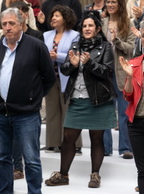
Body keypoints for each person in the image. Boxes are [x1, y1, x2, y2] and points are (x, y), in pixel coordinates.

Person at [45, 10, 117, 188]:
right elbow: (64, 70)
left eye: (90, 25)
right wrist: (73, 65)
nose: (86, 28)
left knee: (97, 138)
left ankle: (95, 175)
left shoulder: (105, 47)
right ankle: (63, 175)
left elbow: (107, 72)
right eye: (84, 26)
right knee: (68, 138)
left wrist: (89, 64)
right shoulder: (75, 45)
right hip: (77, 99)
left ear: (98, 28)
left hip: (98, 100)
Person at [0, 7, 55, 194]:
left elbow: (49, 78)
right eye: (4, 24)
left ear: (22, 24)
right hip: (1, 114)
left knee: (31, 159)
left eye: (12, 23)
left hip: (26, 114)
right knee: (2, 158)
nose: (8, 27)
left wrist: (33, 97)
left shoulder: (36, 46)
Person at [43, 5, 82, 154]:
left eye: (57, 16)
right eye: (53, 16)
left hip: (68, 77)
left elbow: (75, 55)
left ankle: (74, 144)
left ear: (65, 18)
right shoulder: (46, 35)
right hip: (51, 78)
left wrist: (57, 56)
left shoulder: (74, 35)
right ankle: (53, 144)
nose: (53, 18)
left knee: (69, 111)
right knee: (52, 111)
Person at [102, 0, 135, 158]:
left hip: (122, 72)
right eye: (108, 2)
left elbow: (131, 49)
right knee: (106, 111)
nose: (110, 5)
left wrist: (117, 41)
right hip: (105, 72)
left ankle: (125, 148)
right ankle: (106, 149)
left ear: (120, 4)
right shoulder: (102, 23)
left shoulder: (128, 24)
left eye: (113, 2)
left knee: (123, 111)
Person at [119, 20, 144, 194]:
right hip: (137, 122)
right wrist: (129, 77)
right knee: (142, 170)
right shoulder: (135, 62)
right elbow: (128, 95)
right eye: (143, 36)